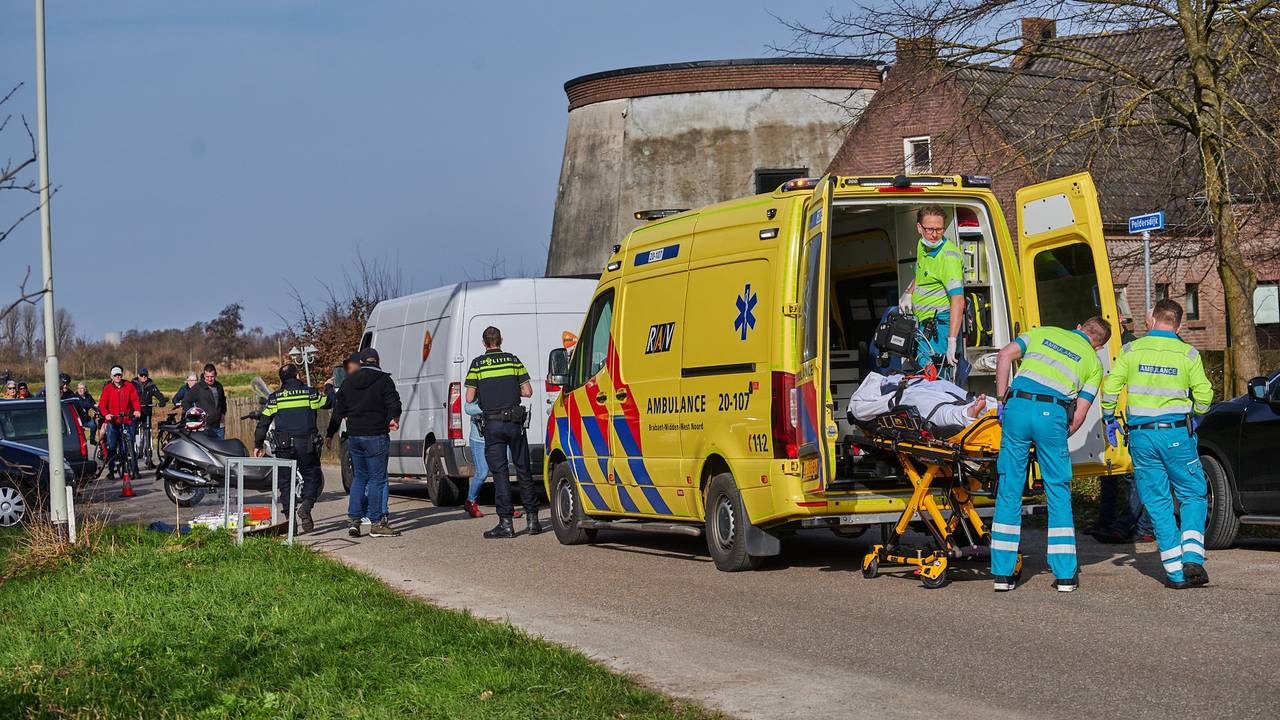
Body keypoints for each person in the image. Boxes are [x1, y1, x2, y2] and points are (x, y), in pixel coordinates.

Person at [990, 316, 1112, 593]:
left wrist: (1000, 401)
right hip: (1053, 413)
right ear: (1098, 346)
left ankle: (1002, 575)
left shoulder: (1042, 332)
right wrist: (1058, 433)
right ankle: (1065, 576)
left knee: (1009, 488)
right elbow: (1079, 414)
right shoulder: (1094, 363)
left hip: (1017, 407)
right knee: (1058, 491)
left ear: (1079, 327)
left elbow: (1005, 355)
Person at [1100, 299, 1213, 589]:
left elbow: (1111, 386)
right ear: (1178, 323)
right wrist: (1196, 415)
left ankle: (1175, 574)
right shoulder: (1188, 353)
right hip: (1176, 434)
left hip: (1141, 436)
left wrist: (1110, 418)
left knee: (1158, 502)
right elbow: (1204, 395)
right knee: (1192, 495)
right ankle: (1192, 557)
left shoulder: (1130, 349)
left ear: (1152, 320)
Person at [465, 326, 540, 539]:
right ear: (501, 340)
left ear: (483, 343)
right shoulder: (513, 360)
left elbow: (469, 398)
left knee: (500, 474)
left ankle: (506, 524)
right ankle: (533, 520)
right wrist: (510, 391)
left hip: (493, 425)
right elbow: (527, 391)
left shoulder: (477, 365)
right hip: (515, 423)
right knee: (523, 470)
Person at [325, 348, 402, 538]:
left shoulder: (348, 382)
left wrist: (330, 433)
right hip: (376, 435)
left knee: (360, 477)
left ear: (361, 362)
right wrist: (393, 418)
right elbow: (395, 403)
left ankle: (353, 520)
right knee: (378, 479)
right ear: (377, 361)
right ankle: (376, 523)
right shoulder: (384, 380)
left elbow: (338, 411)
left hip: (355, 437)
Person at [254, 363, 332, 533]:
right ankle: (306, 504)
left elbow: (263, 423)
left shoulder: (275, 398)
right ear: (297, 376)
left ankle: (291, 522)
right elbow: (329, 402)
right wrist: (329, 386)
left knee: (286, 483)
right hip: (307, 445)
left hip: (283, 447)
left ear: (281, 380)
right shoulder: (310, 393)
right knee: (312, 476)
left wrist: (258, 444)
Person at [897, 205, 966, 375]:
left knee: (936, 380)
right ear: (919, 228)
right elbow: (922, 273)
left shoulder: (948, 258)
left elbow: (958, 300)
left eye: (939, 229)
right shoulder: (922, 245)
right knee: (923, 374)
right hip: (923, 324)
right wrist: (909, 292)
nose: (934, 235)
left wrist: (951, 341)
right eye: (930, 229)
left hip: (939, 327)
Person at [98, 365, 142, 495]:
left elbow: (134, 399)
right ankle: (111, 471)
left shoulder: (129, 386)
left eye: (119, 375)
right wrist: (106, 414)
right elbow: (102, 404)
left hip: (126, 419)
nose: (118, 377)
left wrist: (137, 410)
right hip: (113, 421)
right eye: (115, 375)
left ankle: (133, 469)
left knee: (129, 443)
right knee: (111, 446)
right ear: (111, 377)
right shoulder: (108, 388)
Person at [132, 368, 168, 469]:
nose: (144, 377)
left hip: (147, 412)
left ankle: (149, 457)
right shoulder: (133, 384)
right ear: (138, 375)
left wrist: (162, 401)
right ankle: (133, 453)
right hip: (135, 412)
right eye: (142, 375)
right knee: (132, 432)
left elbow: (158, 394)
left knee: (148, 432)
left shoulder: (151, 385)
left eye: (145, 375)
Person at [182, 364, 227, 438]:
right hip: (204, 427)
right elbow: (185, 402)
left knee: (219, 449)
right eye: (207, 377)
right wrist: (193, 418)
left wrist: (223, 413)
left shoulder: (219, 386)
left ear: (215, 375)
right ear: (204, 375)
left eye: (212, 376)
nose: (209, 379)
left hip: (219, 426)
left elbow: (223, 401)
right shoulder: (198, 387)